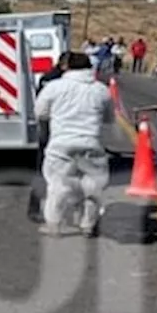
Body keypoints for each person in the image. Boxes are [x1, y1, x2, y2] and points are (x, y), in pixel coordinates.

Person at [33, 51, 115, 236]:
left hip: (61, 143)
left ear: (67, 67)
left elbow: (40, 112)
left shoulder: (54, 87)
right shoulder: (101, 90)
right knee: (93, 186)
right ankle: (87, 225)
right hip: (91, 143)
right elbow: (109, 118)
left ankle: (54, 225)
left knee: (57, 185)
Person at [28, 52, 71, 223]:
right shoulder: (61, 82)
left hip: (47, 127)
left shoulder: (47, 78)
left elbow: (40, 107)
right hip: (57, 128)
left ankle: (35, 207)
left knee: (44, 170)